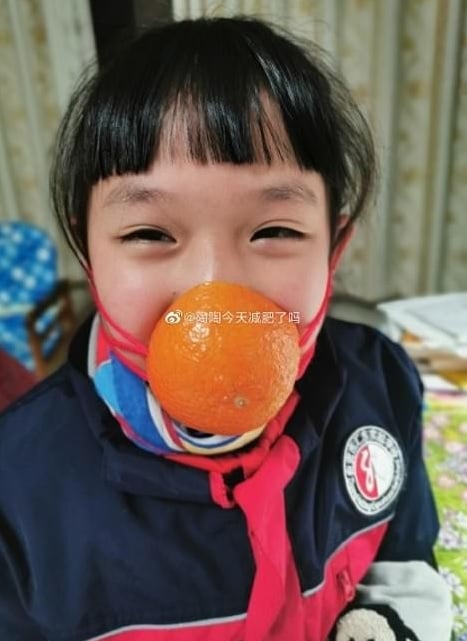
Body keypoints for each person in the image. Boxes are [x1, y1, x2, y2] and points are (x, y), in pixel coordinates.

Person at [0, 16, 452, 641]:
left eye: (274, 231)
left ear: (334, 248)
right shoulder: (18, 485)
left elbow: (405, 563)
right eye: (150, 234)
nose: (214, 289)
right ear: (89, 256)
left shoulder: (381, 385)